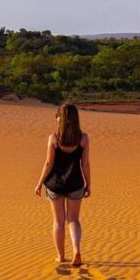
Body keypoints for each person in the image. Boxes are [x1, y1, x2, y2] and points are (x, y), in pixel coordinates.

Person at [34, 103, 91, 266]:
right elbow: (85, 164)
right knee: (73, 219)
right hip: (75, 183)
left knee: (59, 221)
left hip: (55, 184)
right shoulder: (83, 139)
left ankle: (60, 256)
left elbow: (48, 163)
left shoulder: (54, 138)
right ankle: (76, 250)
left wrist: (39, 183)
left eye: (57, 115)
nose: (56, 118)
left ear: (61, 118)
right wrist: (89, 184)